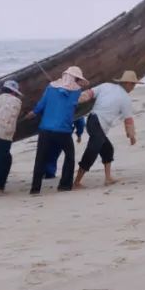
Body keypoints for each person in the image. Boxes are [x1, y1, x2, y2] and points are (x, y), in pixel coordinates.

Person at [27, 66, 94, 194]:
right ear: (75, 78)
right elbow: (79, 102)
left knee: (40, 158)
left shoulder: (51, 87)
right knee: (69, 156)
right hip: (63, 130)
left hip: (45, 129)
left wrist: (33, 112)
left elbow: (41, 104)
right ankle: (64, 185)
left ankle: (35, 188)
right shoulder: (76, 92)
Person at [74, 70, 141, 188]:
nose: (133, 87)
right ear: (128, 83)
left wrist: (75, 99)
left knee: (108, 149)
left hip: (91, 121)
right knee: (92, 150)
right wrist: (132, 137)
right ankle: (77, 182)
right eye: (133, 85)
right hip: (97, 123)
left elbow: (89, 94)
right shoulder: (125, 99)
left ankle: (108, 178)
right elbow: (128, 121)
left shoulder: (106, 86)